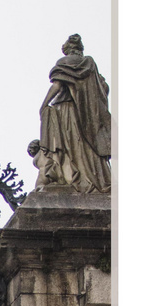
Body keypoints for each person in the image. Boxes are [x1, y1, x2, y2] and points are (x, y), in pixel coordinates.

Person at [38, 33, 111, 193]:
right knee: (85, 145)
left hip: (67, 110)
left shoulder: (63, 63)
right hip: (87, 113)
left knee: (71, 145)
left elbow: (57, 86)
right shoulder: (90, 64)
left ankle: (72, 177)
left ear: (67, 49)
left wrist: (44, 104)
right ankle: (93, 178)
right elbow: (103, 90)